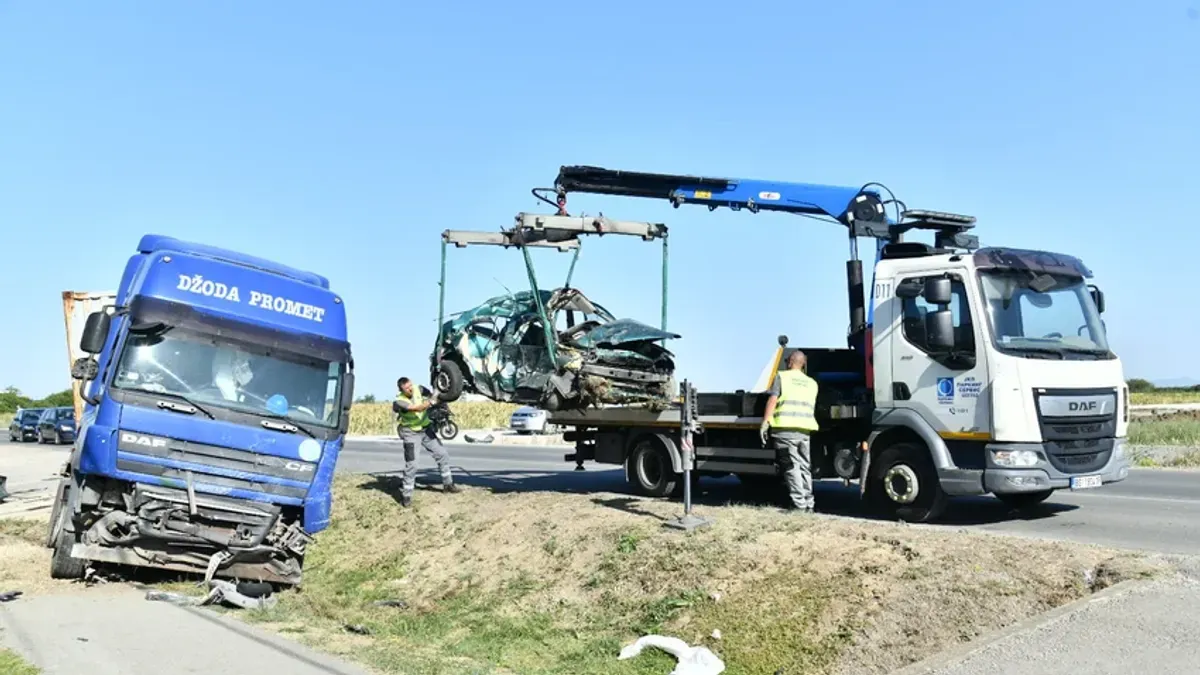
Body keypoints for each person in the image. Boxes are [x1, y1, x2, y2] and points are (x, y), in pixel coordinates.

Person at [759, 350, 819, 512]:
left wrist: (766, 421)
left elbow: (772, 399)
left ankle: (799, 505)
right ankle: (809, 503)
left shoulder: (782, 377)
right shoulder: (812, 383)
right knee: (804, 466)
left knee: (791, 467)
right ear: (803, 364)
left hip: (785, 430)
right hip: (804, 430)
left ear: (790, 362)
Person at [393, 376, 459, 506]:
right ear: (402, 390)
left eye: (410, 385)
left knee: (442, 454)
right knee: (412, 465)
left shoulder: (418, 389)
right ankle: (406, 496)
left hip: (425, 430)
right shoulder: (399, 401)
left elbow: (430, 393)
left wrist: (439, 393)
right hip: (410, 433)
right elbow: (417, 408)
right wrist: (431, 402)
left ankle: (448, 484)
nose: (410, 389)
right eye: (407, 388)